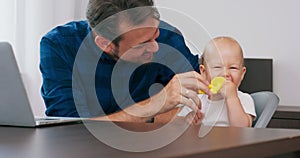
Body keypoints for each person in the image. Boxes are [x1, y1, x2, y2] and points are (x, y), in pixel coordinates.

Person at [40, 0, 212, 122]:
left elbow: (201, 97)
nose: (156, 47)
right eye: (142, 44)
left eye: (155, 35)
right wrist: (154, 106)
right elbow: (67, 129)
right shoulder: (59, 45)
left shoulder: (168, 37)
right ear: (105, 44)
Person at [177, 36, 256, 127]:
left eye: (233, 68)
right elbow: (175, 124)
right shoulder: (197, 100)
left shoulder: (244, 99)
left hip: (231, 141)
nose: (225, 73)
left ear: (242, 74)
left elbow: (243, 128)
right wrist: (186, 119)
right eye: (217, 67)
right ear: (204, 72)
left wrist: (231, 98)